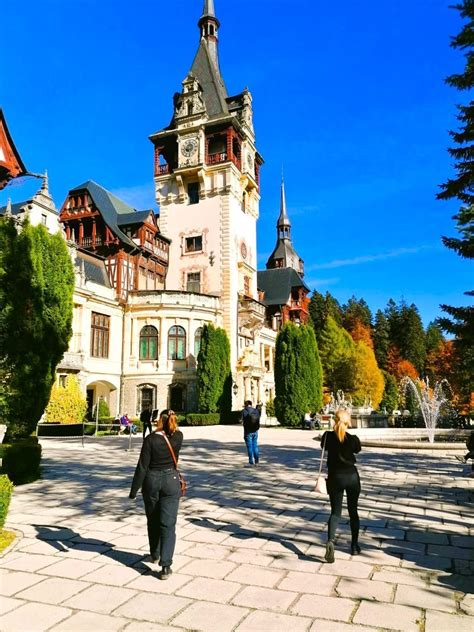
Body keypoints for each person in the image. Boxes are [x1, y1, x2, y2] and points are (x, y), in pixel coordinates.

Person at [129, 409, 183, 580]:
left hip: (152, 481)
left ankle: (155, 553)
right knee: (168, 524)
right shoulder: (179, 437)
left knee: (153, 518)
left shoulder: (150, 439)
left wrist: (133, 490)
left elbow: (142, 466)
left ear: (159, 420)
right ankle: (166, 566)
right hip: (171, 480)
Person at [321, 408, 361, 563]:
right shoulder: (353, 439)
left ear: (334, 421)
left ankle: (330, 541)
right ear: (348, 422)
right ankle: (354, 545)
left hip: (335, 478)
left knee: (335, 512)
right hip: (351, 477)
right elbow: (357, 449)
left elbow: (323, 446)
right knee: (353, 511)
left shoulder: (327, 437)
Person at [242, 400, 260, 466]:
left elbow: (240, 420)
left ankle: (251, 462)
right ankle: (257, 461)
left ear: (245, 405)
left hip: (248, 431)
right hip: (255, 431)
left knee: (249, 447)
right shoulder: (256, 411)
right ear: (251, 404)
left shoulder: (244, 411)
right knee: (255, 445)